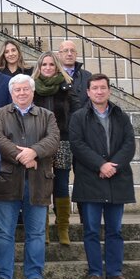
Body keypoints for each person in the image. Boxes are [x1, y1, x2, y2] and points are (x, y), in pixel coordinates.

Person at [0, 74, 60, 279]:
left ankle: (34, 274)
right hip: (7, 182)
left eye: (25, 89)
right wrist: (21, 156)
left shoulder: (47, 116)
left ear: (32, 91)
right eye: (17, 90)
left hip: (38, 182)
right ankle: (3, 275)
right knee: (3, 232)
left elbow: (54, 139)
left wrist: (34, 152)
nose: (21, 93)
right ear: (11, 93)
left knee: (37, 232)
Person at [70, 74, 137, 279]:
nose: (99, 91)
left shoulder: (121, 116)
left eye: (103, 88)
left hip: (117, 181)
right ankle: (95, 272)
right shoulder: (79, 117)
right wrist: (100, 165)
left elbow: (129, 144)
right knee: (90, 230)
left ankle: (115, 272)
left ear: (109, 90)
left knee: (114, 230)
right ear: (88, 92)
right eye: (95, 88)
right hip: (90, 180)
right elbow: (77, 145)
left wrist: (112, 165)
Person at [32, 51, 78, 246]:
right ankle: (44, 229)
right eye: (44, 65)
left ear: (57, 67)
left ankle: (62, 228)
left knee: (60, 184)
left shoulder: (67, 87)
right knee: (42, 185)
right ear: (39, 68)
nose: (48, 68)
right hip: (40, 143)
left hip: (63, 141)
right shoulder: (32, 89)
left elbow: (76, 113)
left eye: (52, 65)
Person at [58, 39, 93, 108]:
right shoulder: (53, 75)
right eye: (66, 51)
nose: (69, 54)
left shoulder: (87, 76)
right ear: (59, 55)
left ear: (76, 54)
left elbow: (92, 99)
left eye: (72, 51)